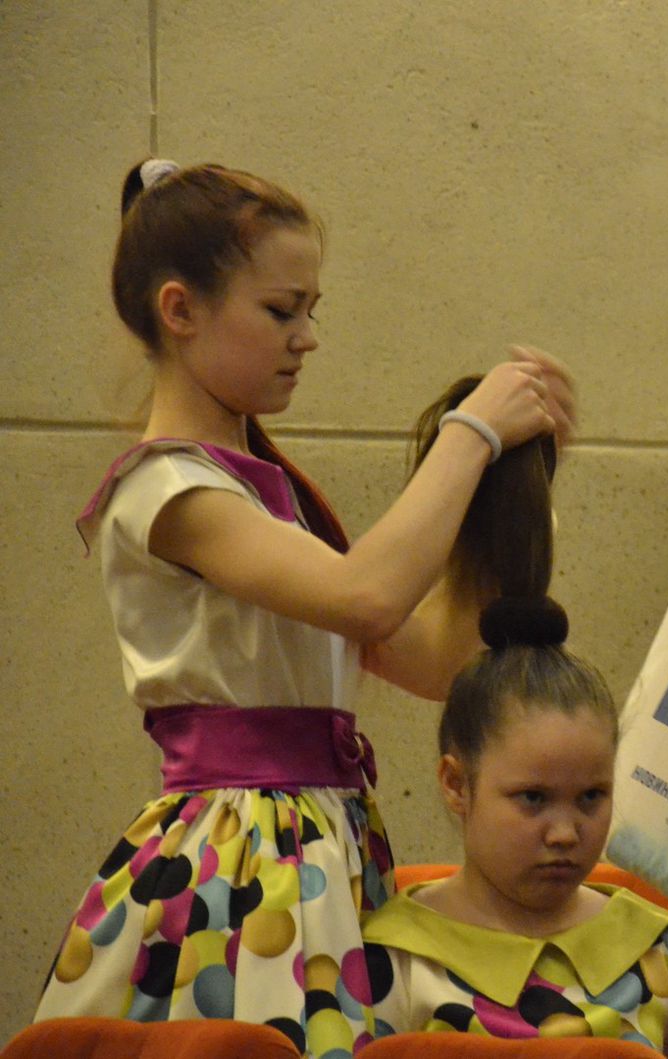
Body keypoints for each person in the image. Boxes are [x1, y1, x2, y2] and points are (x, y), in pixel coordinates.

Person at [35, 158, 572, 1058]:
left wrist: (511, 487)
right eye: (282, 310)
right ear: (180, 309)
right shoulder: (167, 489)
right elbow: (368, 596)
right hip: (240, 863)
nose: (307, 337)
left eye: (311, 310)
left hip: (319, 845)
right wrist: (471, 433)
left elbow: (435, 659)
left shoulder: (266, 497)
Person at [363, 595, 668, 1054]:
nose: (564, 833)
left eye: (591, 797)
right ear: (456, 784)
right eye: (533, 798)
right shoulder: (393, 960)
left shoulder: (655, 949)